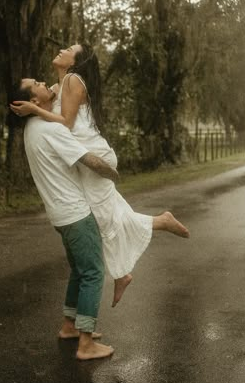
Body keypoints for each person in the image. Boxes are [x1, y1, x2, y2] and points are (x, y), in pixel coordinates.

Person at [10, 43, 190, 308]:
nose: (62, 49)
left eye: (70, 48)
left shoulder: (72, 79)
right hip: (84, 157)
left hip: (93, 155)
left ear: (76, 60)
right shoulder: (61, 85)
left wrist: (35, 110)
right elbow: (57, 111)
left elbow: (66, 124)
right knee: (106, 214)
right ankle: (126, 268)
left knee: (103, 220)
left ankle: (143, 245)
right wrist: (38, 105)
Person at [10, 78, 120, 361]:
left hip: (59, 214)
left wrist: (52, 94)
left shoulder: (33, 127)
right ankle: (86, 343)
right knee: (94, 271)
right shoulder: (49, 130)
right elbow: (87, 159)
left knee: (79, 270)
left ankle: (70, 326)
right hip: (75, 213)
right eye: (36, 83)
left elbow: (58, 90)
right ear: (34, 101)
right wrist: (113, 172)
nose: (43, 81)